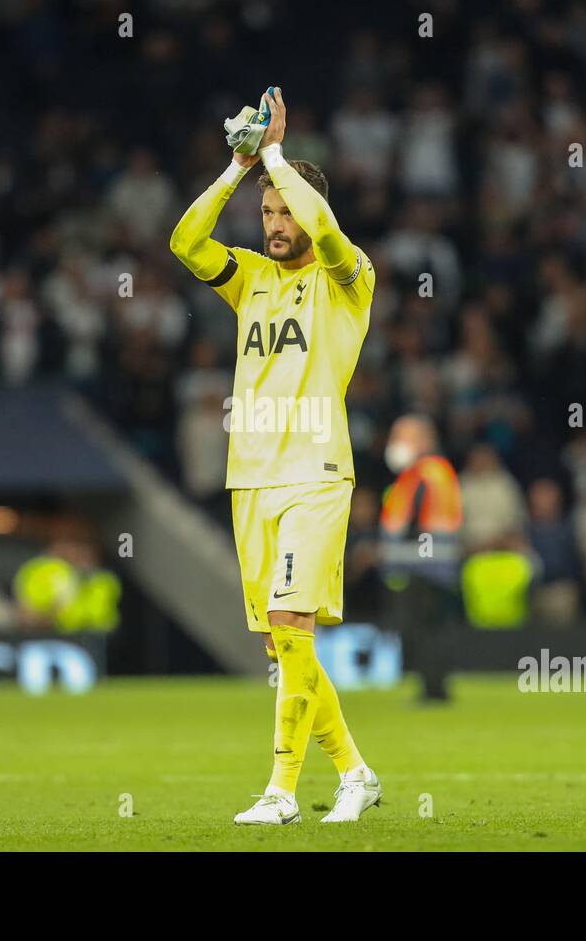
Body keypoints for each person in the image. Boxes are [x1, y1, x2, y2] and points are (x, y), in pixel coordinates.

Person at [170, 87, 380, 825]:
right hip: (250, 479)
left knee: (292, 627)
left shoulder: (347, 279)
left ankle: (282, 792)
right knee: (281, 647)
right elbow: (185, 244)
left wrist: (278, 156)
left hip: (315, 474)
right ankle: (354, 774)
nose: (276, 224)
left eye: (284, 210)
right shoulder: (251, 280)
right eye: (267, 213)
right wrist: (237, 170)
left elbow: (324, 226)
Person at [379, 415, 464, 701]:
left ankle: (434, 689)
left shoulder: (425, 472)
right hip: (434, 564)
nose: (395, 444)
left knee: (425, 631)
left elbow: (410, 523)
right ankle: (435, 687)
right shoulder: (433, 471)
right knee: (431, 629)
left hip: (424, 565)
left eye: (401, 437)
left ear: (423, 440)